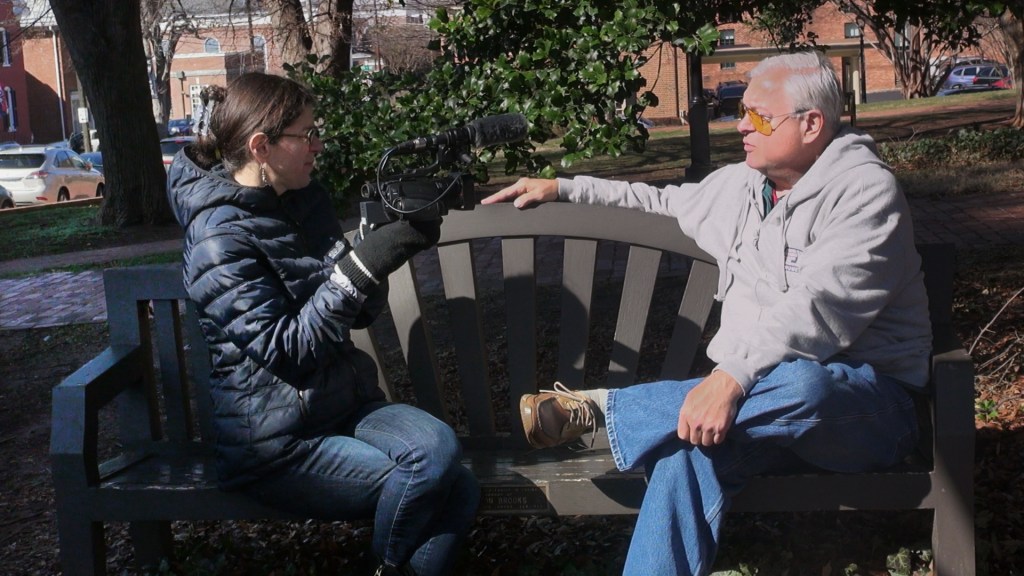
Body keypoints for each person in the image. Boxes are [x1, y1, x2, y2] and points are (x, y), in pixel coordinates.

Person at [482, 51, 930, 575]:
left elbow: (820, 309)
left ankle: (605, 411)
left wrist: (730, 379)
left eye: (759, 116)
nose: (741, 124)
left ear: (812, 124)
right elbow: (658, 201)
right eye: (743, 111)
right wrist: (563, 187)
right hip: (761, 413)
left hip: (865, 410)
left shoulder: (864, 192)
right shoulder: (743, 187)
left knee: (808, 384)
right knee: (687, 449)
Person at [166, 72, 479, 576]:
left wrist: (385, 246)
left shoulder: (302, 203)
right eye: (306, 135)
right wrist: (359, 268)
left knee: (444, 461)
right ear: (261, 146)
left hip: (340, 406)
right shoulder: (217, 241)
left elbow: (358, 310)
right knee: (435, 476)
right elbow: (288, 350)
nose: (318, 145)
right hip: (274, 445)